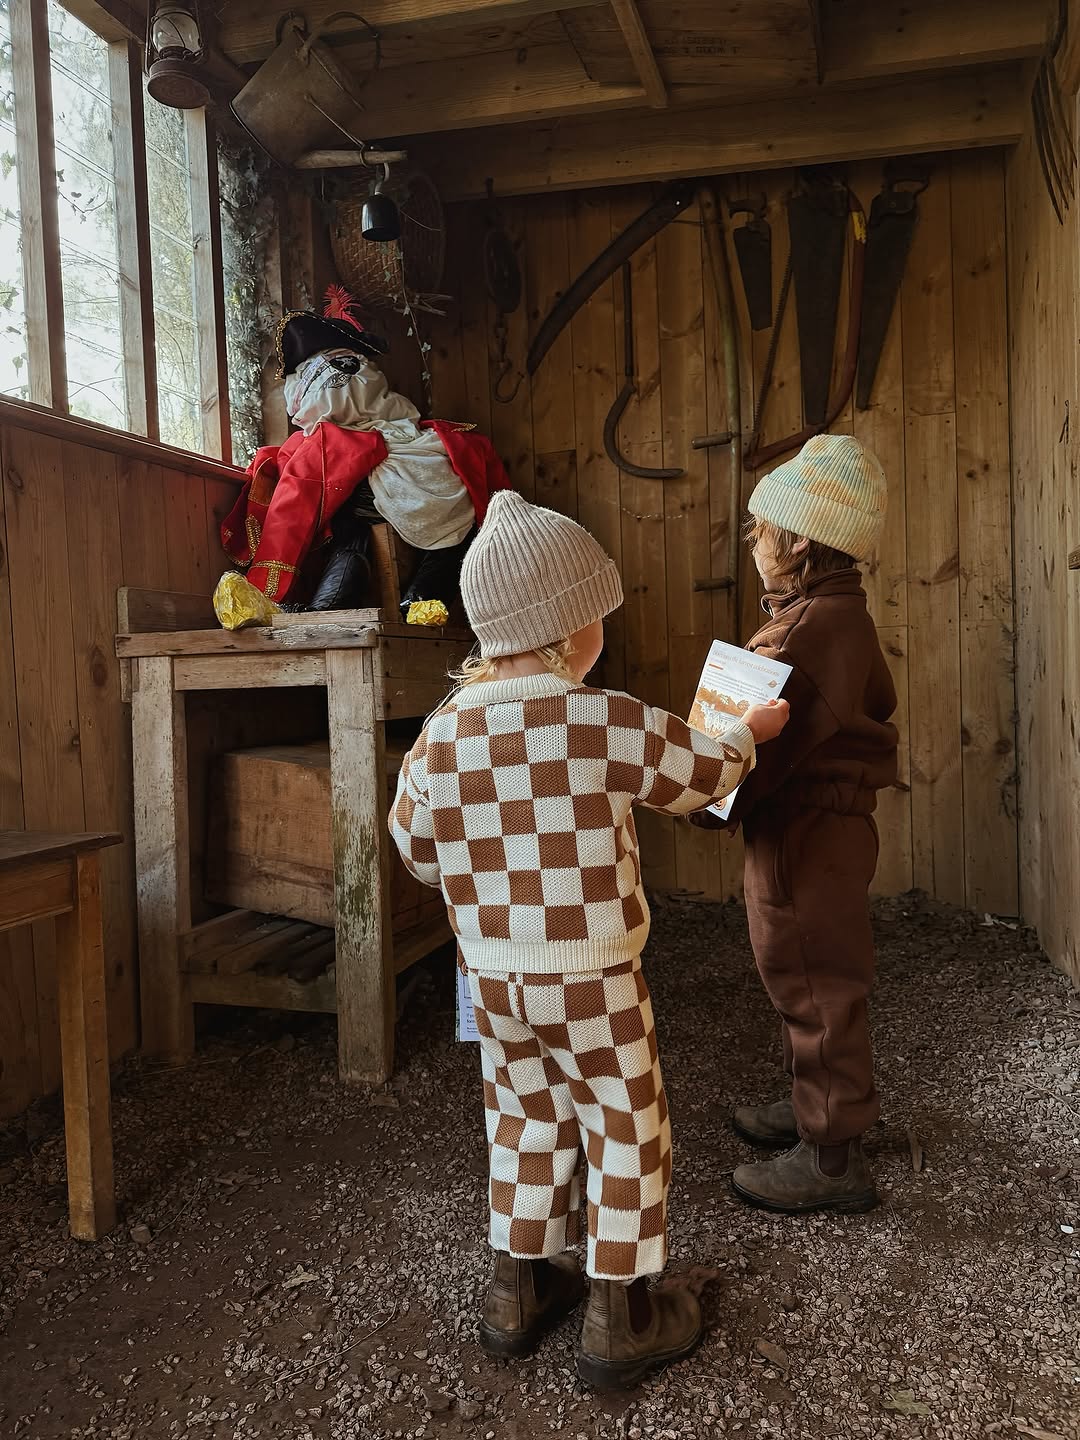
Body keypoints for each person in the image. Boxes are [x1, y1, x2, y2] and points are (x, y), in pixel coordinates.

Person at [388, 491, 788, 1390]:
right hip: (592, 977)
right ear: (570, 632)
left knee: (522, 1120)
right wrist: (747, 733)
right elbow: (700, 773)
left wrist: (482, 867)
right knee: (623, 1124)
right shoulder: (601, 719)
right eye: (598, 617)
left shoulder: (440, 737)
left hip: (485, 981)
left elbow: (414, 850)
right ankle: (624, 1315)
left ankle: (519, 1289)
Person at [691, 432, 899, 1215]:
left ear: (801, 538)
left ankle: (832, 1156)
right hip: (814, 831)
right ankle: (814, 1103)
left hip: (807, 835)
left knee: (818, 982)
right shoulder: (829, 617)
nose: (751, 544)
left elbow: (753, 761)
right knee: (802, 974)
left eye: (760, 530)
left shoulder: (807, 636)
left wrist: (707, 794)